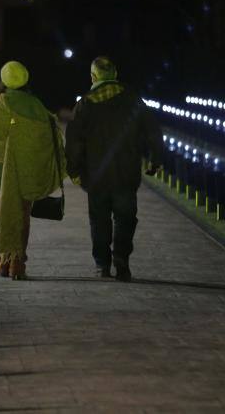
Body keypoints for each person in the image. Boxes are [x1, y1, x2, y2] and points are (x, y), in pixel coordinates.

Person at [65, 56, 164, 282]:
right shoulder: (132, 99)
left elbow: (74, 141)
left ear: (93, 77)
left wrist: (74, 170)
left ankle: (102, 264)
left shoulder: (86, 104)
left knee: (99, 220)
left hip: (96, 175)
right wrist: (155, 159)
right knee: (126, 218)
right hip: (127, 173)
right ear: (115, 75)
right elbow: (152, 131)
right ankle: (121, 259)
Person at [0, 61, 65, 280]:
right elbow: (47, 138)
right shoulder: (36, 106)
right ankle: (18, 261)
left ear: (3, 80)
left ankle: (3, 259)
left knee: (2, 210)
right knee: (23, 213)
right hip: (27, 168)